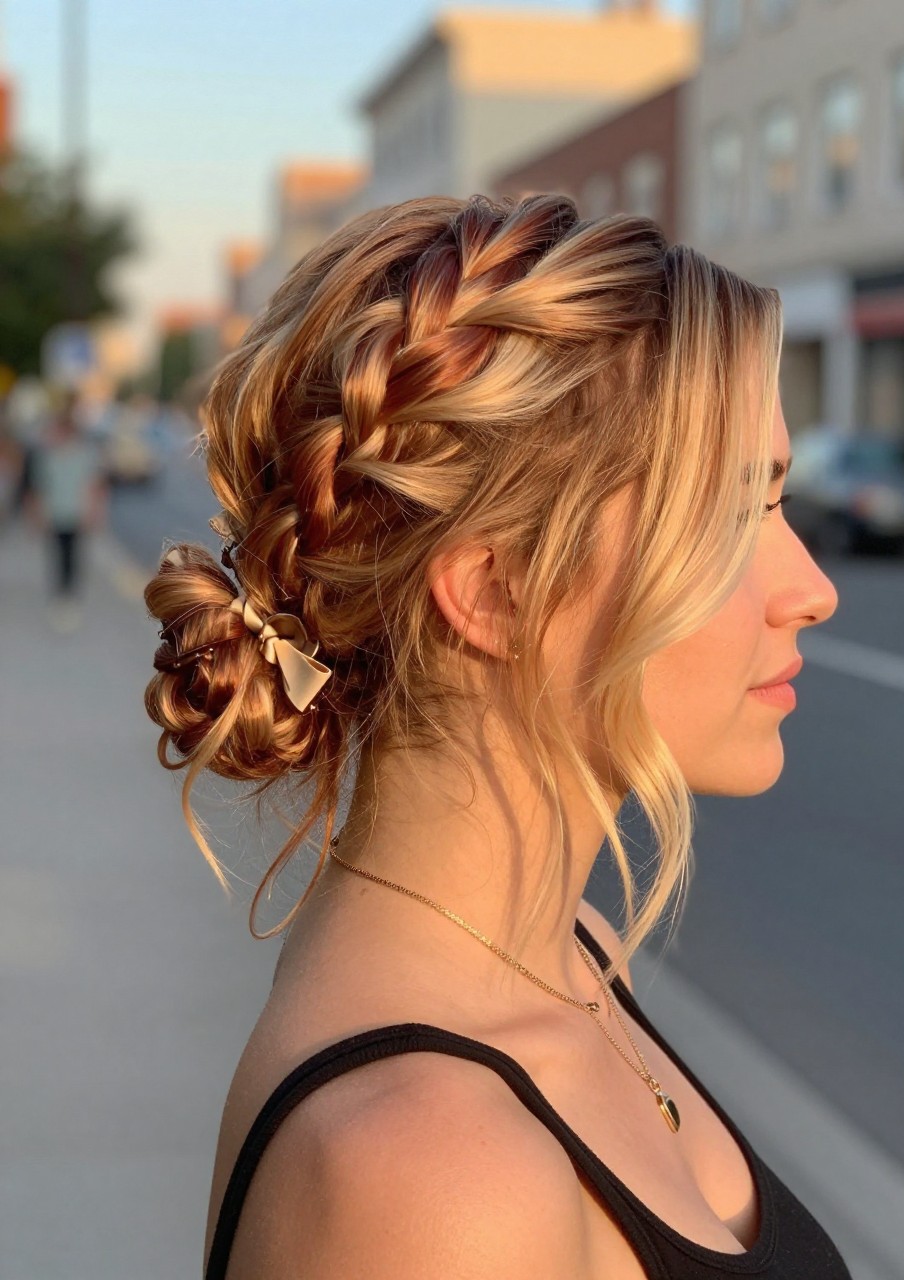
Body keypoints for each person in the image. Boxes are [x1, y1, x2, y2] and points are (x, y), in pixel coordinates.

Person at [143, 194, 844, 1279]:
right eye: (728, 516)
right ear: (496, 589)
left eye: (779, 502)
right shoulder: (432, 1179)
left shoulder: (570, 954)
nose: (812, 589)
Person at [28, 388, 107, 630]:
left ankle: (69, 596)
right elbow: (39, 486)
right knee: (58, 555)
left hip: (76, 513)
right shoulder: (47, 455)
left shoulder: (85, 453)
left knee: (73, 555)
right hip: (56, 513)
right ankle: (61, 596)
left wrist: (94, 511)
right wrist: (37, 513)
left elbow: (94, 484)